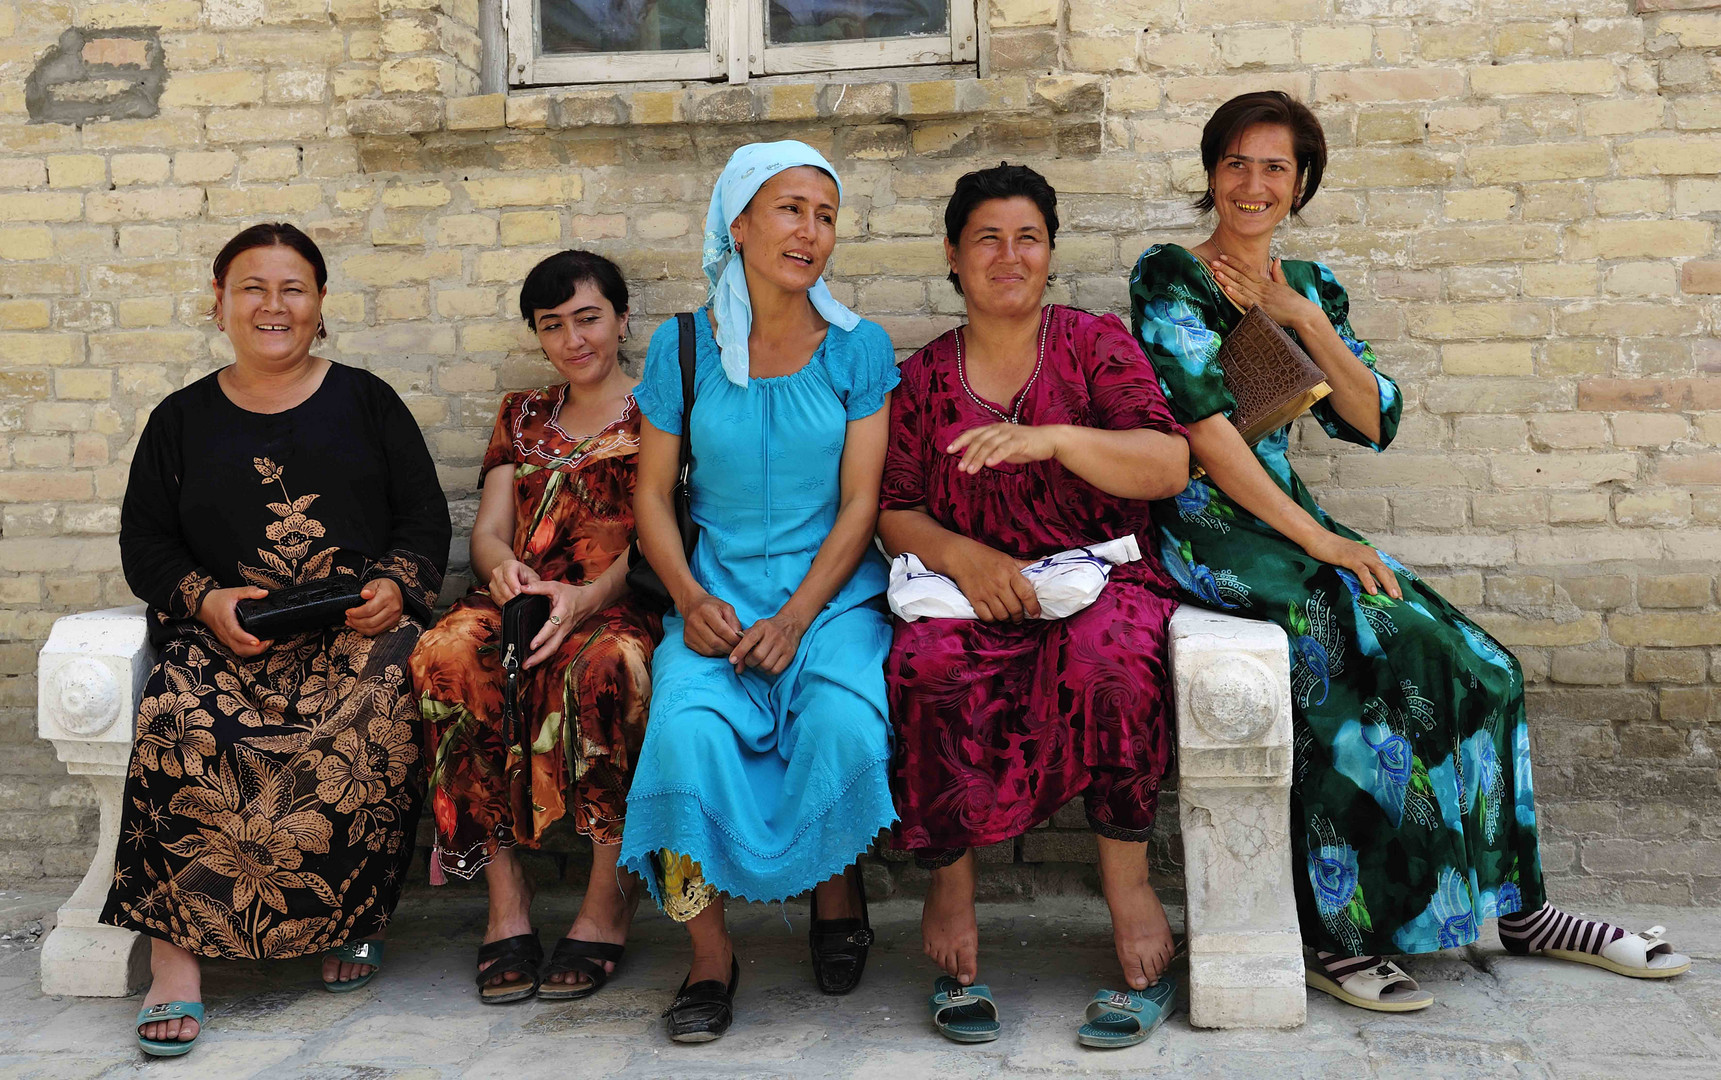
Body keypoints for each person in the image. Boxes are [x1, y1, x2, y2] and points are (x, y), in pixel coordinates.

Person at [1130, 91, 1692, 1014]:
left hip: (1296, 525)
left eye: (1275, 167)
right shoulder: (1168, 278)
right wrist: (1322, 541)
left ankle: (1523, 910)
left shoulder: (1311, 286)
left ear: (1302, 182)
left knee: (1487, 667)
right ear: (1209, 172)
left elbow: (1372, 415)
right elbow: (1205, 433)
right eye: (1235, 162)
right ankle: (1335, 935)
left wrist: (1298, 316)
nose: (1253, 183)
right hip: (1214, 528)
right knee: (1335, 663)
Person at [102, 223, 451, 1055]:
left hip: (350, 635)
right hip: (229, 643)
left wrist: (397, 585)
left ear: (320, 305)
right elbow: (145, 542)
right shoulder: (179, 420)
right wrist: (206, 598)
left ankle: (348, 921)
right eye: (251, 288)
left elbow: (424, 518)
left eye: (292, 288)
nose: (273, 305)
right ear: (218, 303)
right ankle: (175, 960)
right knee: (176, 717)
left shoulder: (368, 401)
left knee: (380, 702)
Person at [879, 164, 1191, 1045]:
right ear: (952, 254)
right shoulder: (924, 378)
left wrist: (1052, 438)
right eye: (987, 237)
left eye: (1027, 237)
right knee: (923, 667)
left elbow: (1166, 466)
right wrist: (962, 556)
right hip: (973, 589)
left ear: (1050, 252)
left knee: (1110, 666)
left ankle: (1129, 898)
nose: (1008, 255)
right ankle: (950, 895)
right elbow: (894, 505)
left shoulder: (1092, 344)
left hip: (1099, 581)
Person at [617, 140, 900, 1042]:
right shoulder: (684, 347)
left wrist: (798, 615)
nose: (809, 231)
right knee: (682, 738)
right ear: (736, 225)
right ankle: (710, 957)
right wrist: (691, 599)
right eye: (789, 209)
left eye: (824, 215)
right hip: (717, 598)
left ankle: (834, 892)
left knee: (839, 722)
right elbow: (652, 496)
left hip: (831, 598)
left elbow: (861, 503)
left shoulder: (858, 349)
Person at [409, 251, 660, 1004]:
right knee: (443, 654)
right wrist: (501, 571)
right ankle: (505, 902)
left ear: (621, 317)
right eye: (553, 326)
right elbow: (489, 529)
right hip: (518, 602)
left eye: (588, 318)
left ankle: (605, 899)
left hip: (612, 602)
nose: (573, 339)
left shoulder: (661, 411)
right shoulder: (520, 414)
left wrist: (582, 599)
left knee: (608, 668)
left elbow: (661, 534)